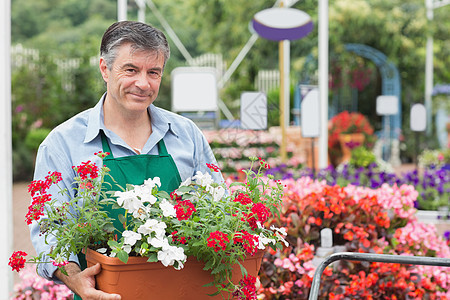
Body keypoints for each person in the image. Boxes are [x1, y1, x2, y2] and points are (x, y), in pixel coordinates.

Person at [30, 21, 223, 300]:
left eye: (153, 72)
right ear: (105, 69)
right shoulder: (64, 143)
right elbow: (50, 228)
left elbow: (217, 208)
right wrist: (75, 280)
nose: (143, 83)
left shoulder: (186, 135)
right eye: (131, 70)